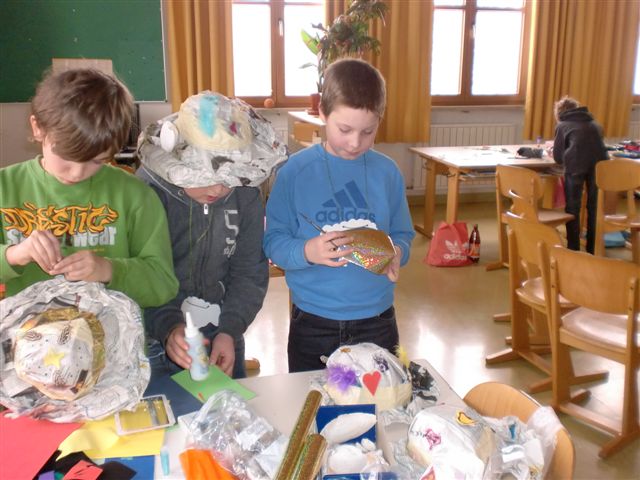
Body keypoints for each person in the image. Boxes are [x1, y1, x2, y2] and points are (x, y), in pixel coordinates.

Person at [264, 58, 415, 372]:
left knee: (380, 397)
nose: (355, 142)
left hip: (377, 320)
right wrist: (307, 251)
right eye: (344, 129)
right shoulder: (295, 172)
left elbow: (403, 233)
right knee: (313, 396)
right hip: (314, 321)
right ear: (322, 112)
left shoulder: (387, 173)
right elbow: (273, 240)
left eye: (368, 131)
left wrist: (397, 252)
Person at [137, 92, 287, 379]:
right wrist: (168, 326)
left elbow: (249, 271)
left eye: (230, 179)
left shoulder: (245, 196)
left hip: (224, 335)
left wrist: (230, 330)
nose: (219, 189)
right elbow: (144, 275)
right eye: (206, 178)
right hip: (158, 338)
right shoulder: (149, 195)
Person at [0, 68, 178, 308]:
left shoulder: (135, 196)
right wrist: (14, 255)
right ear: (38, 127)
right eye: (67, 157)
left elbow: (163, 284)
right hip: (29, 330)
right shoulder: (5, 187)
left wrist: (109, 270)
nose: (77, 173)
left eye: (97, 161)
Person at [552, 96, 608, 254]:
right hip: (600, 166)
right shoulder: (595, 124)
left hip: (576, 165)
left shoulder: (562, 126)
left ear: (559, 113)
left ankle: (573, 249)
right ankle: (592, 249)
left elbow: (558, 158)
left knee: (573, 207)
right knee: (594, 207)